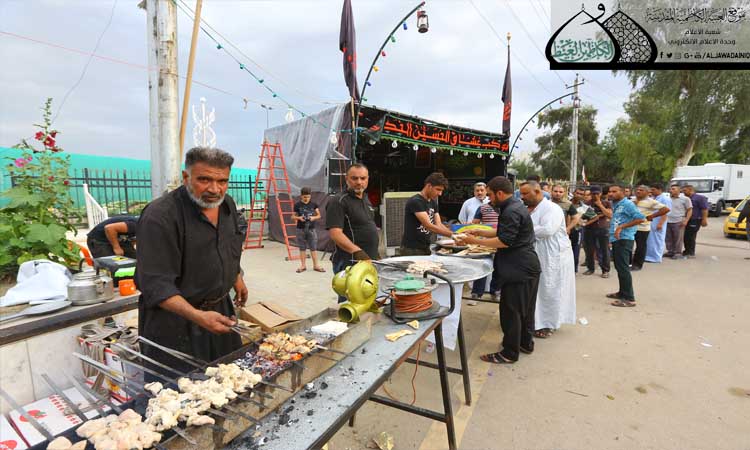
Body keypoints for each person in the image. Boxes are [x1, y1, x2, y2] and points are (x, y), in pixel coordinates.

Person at [135, 147, 246, 372]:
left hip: (221, 313)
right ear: (186, 177)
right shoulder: (160, 216)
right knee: (180, 389)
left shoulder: (227, 205)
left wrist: (236, 277)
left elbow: (227, 246)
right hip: (175, 323)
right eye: (204, 180)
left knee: (232, 380)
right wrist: (197, 316)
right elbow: (155, 284)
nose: (214, 189)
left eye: (222, 181)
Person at [457, 176, 540, 364]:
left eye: (490, 195)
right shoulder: (514, 206)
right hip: (527, 266)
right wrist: (479, 231)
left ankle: (509, 353)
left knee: (511, 312)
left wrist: (473, 241)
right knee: (525, 310)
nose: (488, 199)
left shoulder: (511, 210)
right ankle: (525, 344)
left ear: (500, 193)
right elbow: (504, 231)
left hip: (518, 268)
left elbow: (504, 241)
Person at [520, 182, 576, 339]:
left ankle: (548, 324)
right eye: (521, 194)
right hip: (539, 254)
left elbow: (547, 230)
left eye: (525, 194)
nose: (522, 197)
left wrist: (520, 231)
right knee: (540, 289)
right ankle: (536, 320)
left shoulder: (552, 209)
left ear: (537, 192)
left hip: (554, 256)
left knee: (551, 288)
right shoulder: (530, 209)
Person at [326, 164, 380, 302]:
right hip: (349, 262)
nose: (359, 182)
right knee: (350, 304)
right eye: (354, 178)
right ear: (347, 179)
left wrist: (375, 253)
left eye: (363, 178)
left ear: (368, 179)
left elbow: (367, 226)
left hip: (367, 261)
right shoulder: (338, 201)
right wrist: (357, 252)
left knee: (367, 301)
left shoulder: (365, 199)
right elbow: (335, 233)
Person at [606, 184, 646, 307]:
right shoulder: (616, 204)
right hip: (617, 239)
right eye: (610, 191)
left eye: (614, 191)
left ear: (623, 192)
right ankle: (622, 292)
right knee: (619, 267)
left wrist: (622, 227)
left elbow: (641, 218)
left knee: (623, 269)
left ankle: (629, 299)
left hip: (624, 239)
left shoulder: (628, 204)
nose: (611, 193)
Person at [400, 172, 453, 256]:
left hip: (425, 247)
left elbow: (439, 225)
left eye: (441, 191)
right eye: (438, 189)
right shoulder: (416, 201)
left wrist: (456, 234)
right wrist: (454, 235)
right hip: (411, 249)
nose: (440, 194)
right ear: (429, 186)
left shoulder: (433, 202)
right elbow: (429, 226)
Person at [467, 190, 501, 304]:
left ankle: (495, 292)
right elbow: (475, 223)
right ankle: (476, 294)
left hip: (501, 241)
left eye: (490, 195)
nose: (489, 198)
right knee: (482, 266)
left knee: (499, 267)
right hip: (485, 243)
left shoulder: (505, 208)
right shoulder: (482, 208)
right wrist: (472, 226)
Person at [631, 185, 669, 271]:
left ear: (647, 192)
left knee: (640, 246)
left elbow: (666, 209)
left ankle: (637, 265)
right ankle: (629, 262)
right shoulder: (632, 200)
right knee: (629, 245)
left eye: (641, 190)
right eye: (637, 190)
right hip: (630, 226)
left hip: (642, 228)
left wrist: (652, 216)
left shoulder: (651, 202)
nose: (638, 191)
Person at [292, 187, 324, 273]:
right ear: (301, 196)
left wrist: (313, 218)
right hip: (300, 229)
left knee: (313, 248)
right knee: (302, 248)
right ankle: (303, 266)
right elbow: (293, 216)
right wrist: (299, 218)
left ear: (310, 196)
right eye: (304, 197)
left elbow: (319, 215)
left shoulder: (314, 204)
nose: (306, 199)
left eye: (308, 197)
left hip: (311, 229)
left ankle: (316, 265)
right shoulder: (297, 205)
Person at [582, 185, 612, 278]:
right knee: (589, 250)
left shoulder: (606, 203)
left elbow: (609, 215)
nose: (595, 195)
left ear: (601, 193)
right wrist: (598, 215)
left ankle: (605, 270)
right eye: (593, 193)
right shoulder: (586, 203)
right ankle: (590, 268)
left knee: (604, 250)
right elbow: (583, 216)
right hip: (589, 229)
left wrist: (600, 205)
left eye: (597, 193)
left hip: (603, 229)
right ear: (590, 194)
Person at [645, 183, 672, 264]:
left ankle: (656, 257)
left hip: (659, 222)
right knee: (650, 240)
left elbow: (666, 212)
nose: (651, 191)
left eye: (653, 190)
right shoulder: (653, 198)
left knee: (657, 240)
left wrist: (661, 223)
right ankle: (649, 256)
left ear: (659, 189)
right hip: (651, 222)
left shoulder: (665, 199)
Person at [664, 184, 693, 259]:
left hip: (679, 221)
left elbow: (689, 210)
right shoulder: (667, 199)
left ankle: (677, 253)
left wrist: (686, 220)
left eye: (673, 189)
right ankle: (670, 251)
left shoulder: (685, 199)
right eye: (670, 189)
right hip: (667, 220)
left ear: (679, 190)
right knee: (668, 237)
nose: (671, 190)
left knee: (678, 238)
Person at [681, 185, 709, 258]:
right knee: (686, 236)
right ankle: (686, 251)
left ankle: (691, 252)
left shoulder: (700, 198)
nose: (683, 192)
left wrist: (704, 219)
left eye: (685, 190)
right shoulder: (686, 198)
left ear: (690, 190)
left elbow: (704, 209)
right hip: (687, 219)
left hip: (695, 219)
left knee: (691, 236)